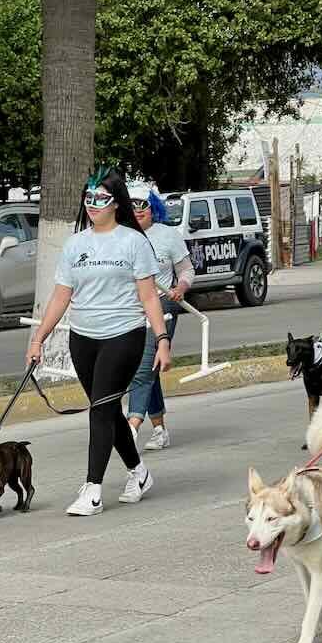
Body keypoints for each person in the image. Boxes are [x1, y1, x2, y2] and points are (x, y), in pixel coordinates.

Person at [28, 169, 172, 515]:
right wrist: (39, 338)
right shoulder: (76, 243)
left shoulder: (134, 242)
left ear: (116, 203)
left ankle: (92, 489)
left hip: (124, 335)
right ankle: (139, 473)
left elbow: (150, 297)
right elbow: (62, 294)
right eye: (88, 198)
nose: (93, 205)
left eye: (101, 199)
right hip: (83, 338)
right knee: (106, 410)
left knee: (100, 410)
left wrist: (162, 339)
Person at [124, 182, 193, 452]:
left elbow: (187, 270)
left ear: (154, 208)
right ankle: (160, 428)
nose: (138, 211)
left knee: (144, 367)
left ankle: (131, 427)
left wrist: (180, 288)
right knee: (142, 369)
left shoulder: (167, 236)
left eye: (143, 205)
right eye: (131, 205)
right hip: (129, 311)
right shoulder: (121, 237)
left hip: (162, 308)